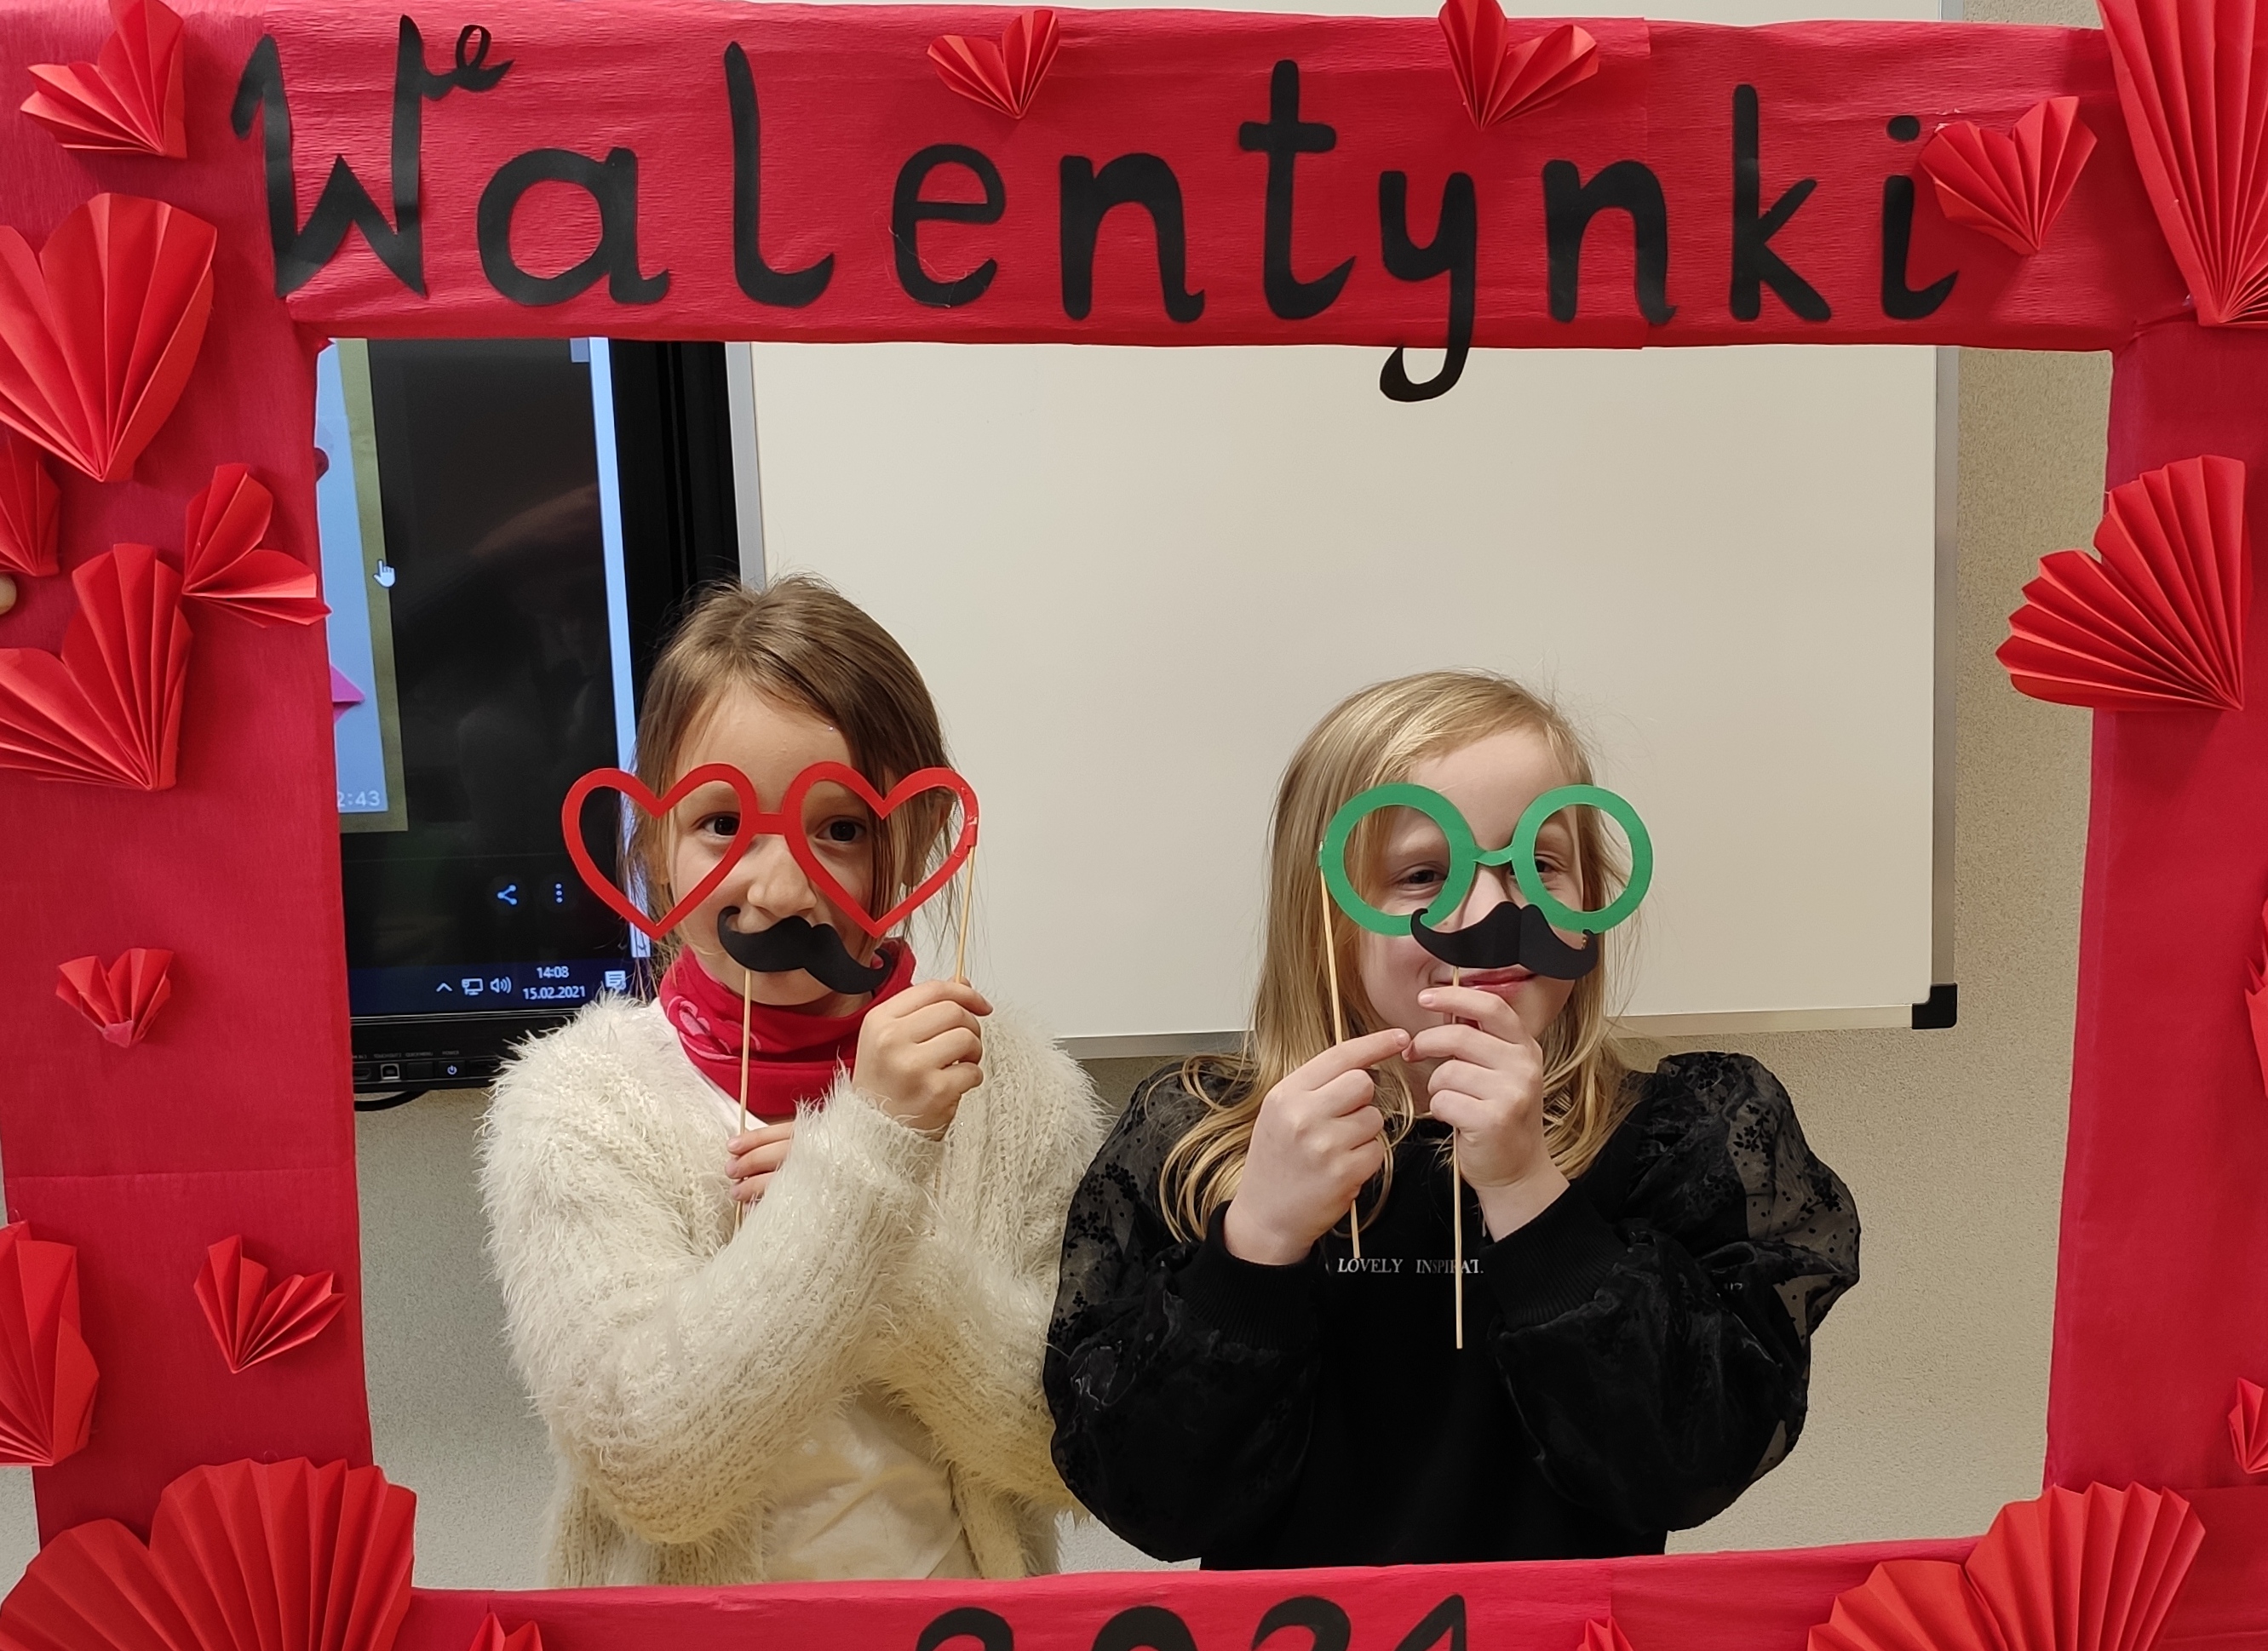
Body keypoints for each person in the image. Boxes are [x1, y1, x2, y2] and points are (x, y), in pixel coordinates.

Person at [1045, 670, 1858, 1568]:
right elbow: (1154, 1502)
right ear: (1324, 915)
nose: (1493, 914)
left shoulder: (1680, 1133)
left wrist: (1526, 1190)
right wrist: (1258, 1238)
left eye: (1538, 865)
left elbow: (1683, 1466)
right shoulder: (1200, 1139)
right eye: (1423, 875)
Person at [483, 575, 1101, 1587]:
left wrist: (888, 1260)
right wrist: (858, 1171)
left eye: (840, 829)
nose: (774, 889)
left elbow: (1068, 1445)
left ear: (912, 843)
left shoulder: (1017, 1093)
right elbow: (652, 1470)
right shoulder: (580, 1105)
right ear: (655, 845)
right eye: (720, 822)